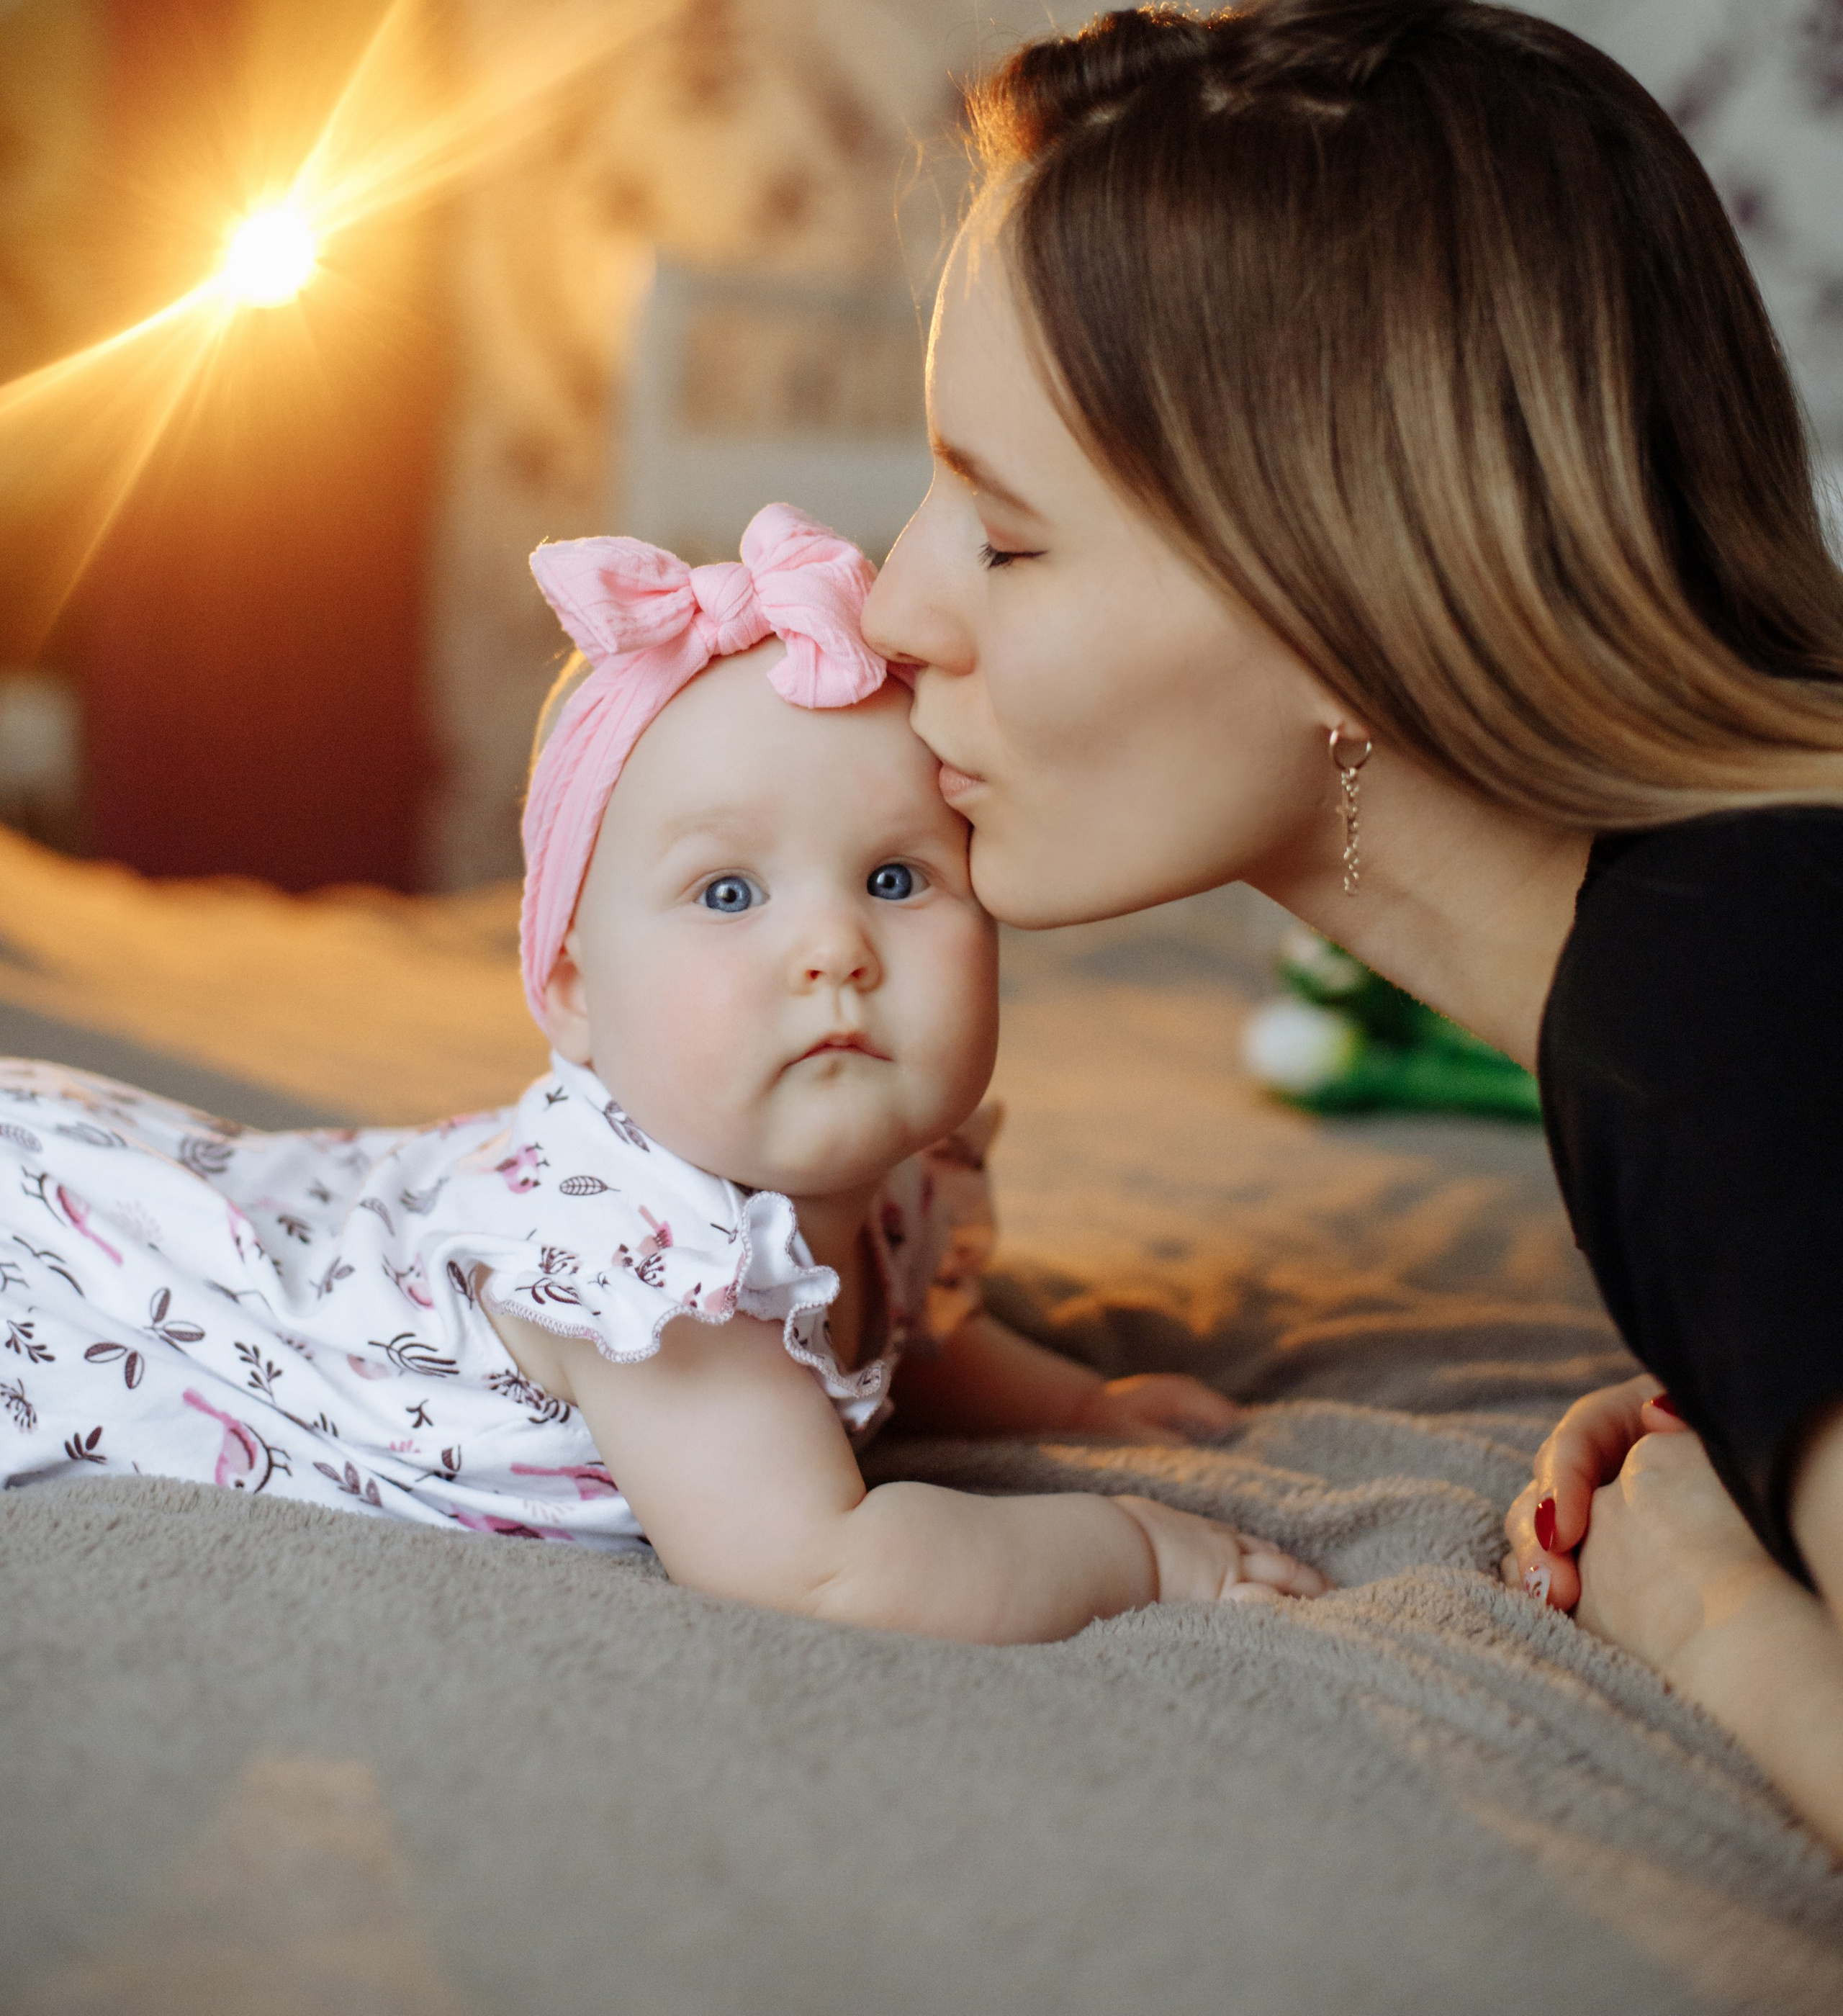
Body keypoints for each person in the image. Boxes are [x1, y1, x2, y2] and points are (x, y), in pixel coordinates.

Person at [859, 0, 1843, 1840]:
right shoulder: (1712, 965)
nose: (899, 611)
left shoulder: (1723, 1016)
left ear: (1341, 592)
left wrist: (1720, 1618)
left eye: (1003, 538)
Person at [0, 503, 1325, 1642]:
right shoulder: (647, 1271)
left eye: (895, 877)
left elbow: (921, 1328)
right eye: (729, 890)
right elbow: (820, 1569)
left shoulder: (884, 1166)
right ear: (573, 989)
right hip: (74, 1253)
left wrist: (1081, 1402)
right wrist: (1145, 1551)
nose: (831, 948)